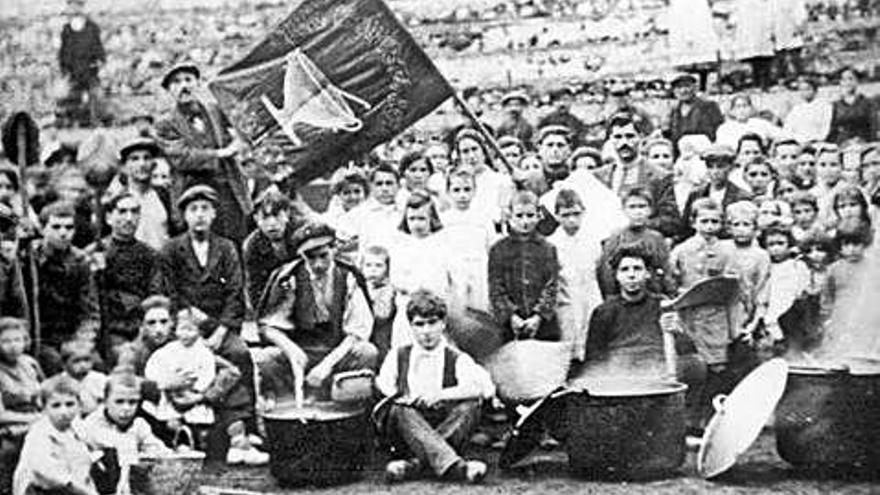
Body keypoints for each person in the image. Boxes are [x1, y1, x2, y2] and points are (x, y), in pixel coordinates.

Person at [160, 185, 259, 451]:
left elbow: (235, 292)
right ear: (184, 216)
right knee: (183, 361)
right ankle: (186, 428)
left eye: (205, 209)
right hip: (186, 328)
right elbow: (171, 292)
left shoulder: (226, 248)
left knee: (238, 353)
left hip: (220, 327)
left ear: (214, 213)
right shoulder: (171, 249)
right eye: (193, 209)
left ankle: (244, 424)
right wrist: (191, 329)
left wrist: (220, 332)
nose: (200, 215)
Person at [375, 290, 493, 484]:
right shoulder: (397, 355)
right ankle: (457, 468)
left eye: (432, 323)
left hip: (443, 422)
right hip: (409, 429)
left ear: (443, 324)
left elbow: (481, 388)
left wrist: (440, 395)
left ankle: (414, 465)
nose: (426, 331)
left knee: (469, 407)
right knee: (399, 410)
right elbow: (384, 386)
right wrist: (406, 397)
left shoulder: (456, 357)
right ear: (411, 327)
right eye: (419, 324)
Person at [257, 222, 377, 403]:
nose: (318, 264)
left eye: (323, 256)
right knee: (265, 358)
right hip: (302, 349)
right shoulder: (290, 278)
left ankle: (346, 405)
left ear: (334, 249)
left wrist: (327, 365)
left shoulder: (348, 277)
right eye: (310, 258)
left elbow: (357, 332)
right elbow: (268, 326)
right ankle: (291, 404)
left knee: (367, 352)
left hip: (337, 349)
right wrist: (292, 350)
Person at [155, 63, 252, 244]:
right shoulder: (165, 124)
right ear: (169, 90)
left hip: (228, 190)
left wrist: (239, 138)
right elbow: (182, 157)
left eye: (188, 80)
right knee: (202, 247)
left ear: (198, 84)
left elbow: (241, 123)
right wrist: (221, 153)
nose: (184, 86)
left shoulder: (215, 110)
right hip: (192, 193)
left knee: (234, 242)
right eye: (176, 82)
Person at [670, 198, 741, 432]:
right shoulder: (681, 251)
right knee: (691, 368)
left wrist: (734, 329)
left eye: (715, 221)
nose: (709, 226)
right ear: (693, 222)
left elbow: (732, 291)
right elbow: (671, 283)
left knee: (717, 368)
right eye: (704, 221)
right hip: (688, 316)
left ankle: (711, 421)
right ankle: (689, 420)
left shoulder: (728, 251)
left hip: (715, 317)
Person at [87, 192, 165, 358]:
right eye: (122, 212)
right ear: (109, 217)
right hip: (109, 329)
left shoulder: (150, 255)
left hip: (142, 326)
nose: (129, 218)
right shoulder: (95, 253)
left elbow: (155, 295)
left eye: (134, 212)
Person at [583, 245, 680, 378]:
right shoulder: (604, 311)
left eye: (637, 269)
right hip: (619, 374)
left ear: (647, 274)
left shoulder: (662, 305)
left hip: (655, 370)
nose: (631, 275)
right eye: (624, 270)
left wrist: (677, 330)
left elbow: (681, 348)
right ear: (616, 275)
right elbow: (594, 358)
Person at [27, 201, 100, 376]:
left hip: (70, 335)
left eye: (69, 227)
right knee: (54, 364)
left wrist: (82, 342)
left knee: (95, 365)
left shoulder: (80, 262)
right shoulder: (30, 258)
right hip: (39, 336)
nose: (63, 233)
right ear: (43, 228)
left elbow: (90, 312)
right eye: (56, 227)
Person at [81, 373, 170, 495]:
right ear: (105, 401)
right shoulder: (92, 424)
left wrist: (161, 453)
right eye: (119, 402)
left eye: (132, 402)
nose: (126, 408)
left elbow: (158, 450)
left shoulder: (139, 425)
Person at [489, 191, 560, 343]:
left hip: (543, 325)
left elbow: (552, 285)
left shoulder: (548, 248)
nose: (525, 221)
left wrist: (538, 316)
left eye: (530, 215)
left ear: (538, 215)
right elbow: (496, 286)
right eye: (519, 216)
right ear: (510, 216)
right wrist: (511, 315)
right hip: (509, 325)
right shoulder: (499, 249)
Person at [13, 375, 97, 495]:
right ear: (44, 408)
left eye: (70, 404)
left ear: (79, 405)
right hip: (43, 489)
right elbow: (44, 469)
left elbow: (94, 442)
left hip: (74, 484)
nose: (64, 412)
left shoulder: (77, 426)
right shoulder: (40, 432)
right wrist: (80, 488)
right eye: (56, 405)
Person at [387, 192, 451, 349]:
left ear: (432, 219)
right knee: (405, 345)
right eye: (412, 219)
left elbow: (444, 277)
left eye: (422, 218)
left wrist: (432, 294)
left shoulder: (440, 243)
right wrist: (413, 289)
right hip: (408, 305)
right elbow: (396, 278)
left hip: (434, 305)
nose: (417, 224)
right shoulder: (400, 245)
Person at [547, 189, 603, 362]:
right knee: (568, 342)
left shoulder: (592, 240)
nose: (572, 220)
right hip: (566, 301)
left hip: (590, 296)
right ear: (556, 216)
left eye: (576, 214)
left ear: (584, 213)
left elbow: (599, 269)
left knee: (593, 338)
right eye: (566, 215)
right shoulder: (552, 244)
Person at [607, 115, 681, 239]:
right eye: (618, 137)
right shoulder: (600, 176)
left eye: (630, 136)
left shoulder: (660, 177)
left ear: (640, 138)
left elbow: (670, 221)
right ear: (610, 139)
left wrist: (637, 223)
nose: (624, 142)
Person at [143, 309, 217, 431]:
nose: (185, 334)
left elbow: (208, 373)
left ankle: (196, 433)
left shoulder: (204, 353)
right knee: (168, 413)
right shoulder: (167, 350)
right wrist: (165, 382)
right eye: (182, 329)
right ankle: (175, 430)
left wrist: (197, 388)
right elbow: (153, 368)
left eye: (190, 330)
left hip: (192, 393)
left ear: (199, 332)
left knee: (197, 415)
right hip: (170, 393)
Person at [597, 187, 674, 298]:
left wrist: (669, 293)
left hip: (652, 297)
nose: (638, 212)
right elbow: (607, 274)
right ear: (624, 210)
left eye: (642, 206)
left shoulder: (656, 239)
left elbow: (666, 270)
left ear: (650, 210)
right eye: (632, 207)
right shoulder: (616, 238)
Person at [440, 169, 494, 317]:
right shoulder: (444, 220)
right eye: (456, 190)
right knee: (456, 312)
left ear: (475, 190)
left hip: (479, 271)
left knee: (480, 311)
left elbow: (491, 248)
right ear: (448, 191)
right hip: (454, 271)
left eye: (467, 189)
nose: (462, 195)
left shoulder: (483, 219)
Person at [0, 318, 44, 495]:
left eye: (17, 340)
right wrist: (33, 419)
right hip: (10, 425)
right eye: (6, 341)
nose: (13, 346)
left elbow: (44, 393)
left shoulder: (30, 364)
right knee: (11, 449)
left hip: (36, 418)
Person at [107, 138, 173, 251]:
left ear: (153, 164)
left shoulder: (164, 196)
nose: (142, 164)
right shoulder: (117, 200)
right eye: (135, 159)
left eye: (146, 158)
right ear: (124, 166)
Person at [753, 225, 810, 355]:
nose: (776, 248)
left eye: (781, 243)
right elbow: (763, 299)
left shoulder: (797, 266)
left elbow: (803, 291)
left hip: (794, 316)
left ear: (789, 244)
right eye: (771, 245)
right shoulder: (768, 268)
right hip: (773, 317)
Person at [242, 188, 298, 312]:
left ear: (287, 214)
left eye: (277, 215)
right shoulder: (252, 246)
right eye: (265, 217)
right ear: (256, 218)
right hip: (274, 301)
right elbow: (254, 288)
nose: (272, 223)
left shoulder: (301, 233)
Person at [681, 144, 752, 240]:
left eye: (720, 167)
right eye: (710, 167)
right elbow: (685, 228)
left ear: (731, 168)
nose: (715, 172)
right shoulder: (696, 194)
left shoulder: (742, 197)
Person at [720, 201, 771, 334]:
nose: (741, 229)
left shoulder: (761, 256)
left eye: (746, 224)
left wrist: (755, 321)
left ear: (755, 229)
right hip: (720, 309)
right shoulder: (722, 249)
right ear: (729, 228)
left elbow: (762, 290)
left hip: (746, 310)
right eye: (736, 224)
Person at [58, 0, 105, 127]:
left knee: (96, 96)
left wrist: (100, 60)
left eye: (76, 6)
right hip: (73, 71)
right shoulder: (66, 29)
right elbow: (63, 51)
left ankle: (96, 121)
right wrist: (64, 70)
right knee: (71, 98)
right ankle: (73, 122)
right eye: (71, 7)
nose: (73, 10)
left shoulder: (92, 27)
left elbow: (98, 46)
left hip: (90, 70)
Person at [666, 73, 724, 146]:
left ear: (695, 88)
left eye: (687, 86)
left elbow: (717, 132)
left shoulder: (709, 106)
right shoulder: (674, 111)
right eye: (679, 87)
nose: (683, 90)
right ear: (674, 91)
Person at [360, 246, 395, 363]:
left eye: (378, 266)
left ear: (387, 269)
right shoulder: (359, 286)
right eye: (368, 265)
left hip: (380, 336)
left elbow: (382, 315)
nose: (373, 270)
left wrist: (371, 297)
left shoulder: (388, 289)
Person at [715, 94, 786, 150]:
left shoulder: (761, 124)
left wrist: (773, 147)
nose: (741, 110)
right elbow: (722, 147)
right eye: (738, 107)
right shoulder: (725, 129)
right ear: (732, 110)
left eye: (745, 106)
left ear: (751, 108)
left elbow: (782, 135)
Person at [58, 339, 108, 418]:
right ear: (64, 364)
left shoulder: (99, 379)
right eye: (76, 361)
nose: (83, 365)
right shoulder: (59, 382)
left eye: (86, 360)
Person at [828, 67, 877, 144]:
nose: (847, 82)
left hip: (864, 142)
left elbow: (873, 126)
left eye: (851, 79)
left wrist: (869, 142)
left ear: (857, 81)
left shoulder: (868, 103)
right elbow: (832, 129)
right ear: (840, 82)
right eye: (844, 80)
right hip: (842, 143)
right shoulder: (836, 105)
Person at [783, 75, 831, 144]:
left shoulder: (824, 106)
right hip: (796, 142)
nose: (804, 92)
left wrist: (815, 140)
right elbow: (788, 128)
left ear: (815, 90)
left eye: (807, 89)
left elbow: (825, 128)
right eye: (801, 90)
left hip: (815, 143)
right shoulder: (797, 109)